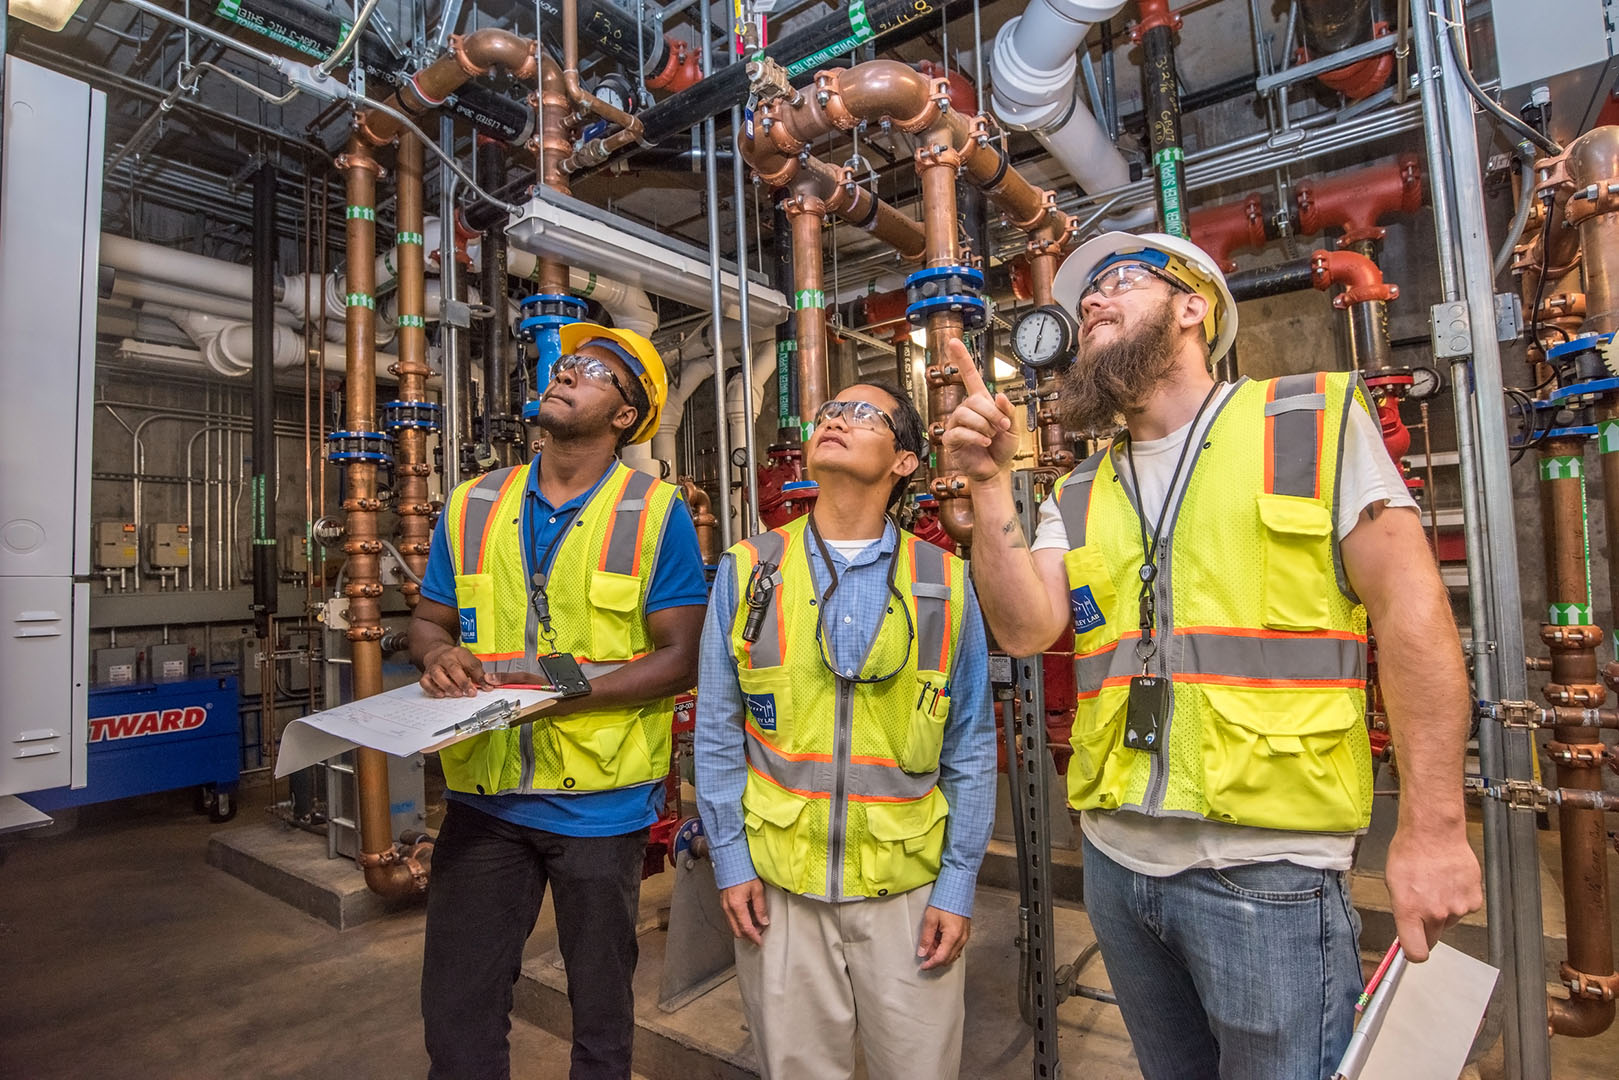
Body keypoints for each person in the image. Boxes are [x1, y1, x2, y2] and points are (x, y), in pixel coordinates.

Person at [943, 232, 1483, 1079]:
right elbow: (1022, 629)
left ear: (1192, 307)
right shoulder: (1080, 488)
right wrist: (984, 485)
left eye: (1117, 281)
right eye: (1083, 296)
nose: (1089, 302)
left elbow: (1412, 619)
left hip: (1267, 868)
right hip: (1117, 864)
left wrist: (1434, 828)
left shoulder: (1307, 419)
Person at [408, 323, 707, 1080]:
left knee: (600, 1020)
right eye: (566, 362)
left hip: (600, 807)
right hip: (485, 798)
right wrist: (439, 653)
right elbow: (429, 619)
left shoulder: (652, 509)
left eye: (594, 370)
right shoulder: (473, 502)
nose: (566, 372)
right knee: (456, 1018)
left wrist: (557, 696)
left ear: (624, 415)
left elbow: (681, 659)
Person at [694, 380, 996, 1080]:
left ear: (903, 461)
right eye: (830, 410)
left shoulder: (946, 582)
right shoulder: (749, 568)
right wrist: (730, 860)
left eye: (863, 414)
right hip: (778, 890)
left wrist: (956, 886)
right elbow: (715, 728)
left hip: (906, 892)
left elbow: (971, 746)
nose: (836, 420)